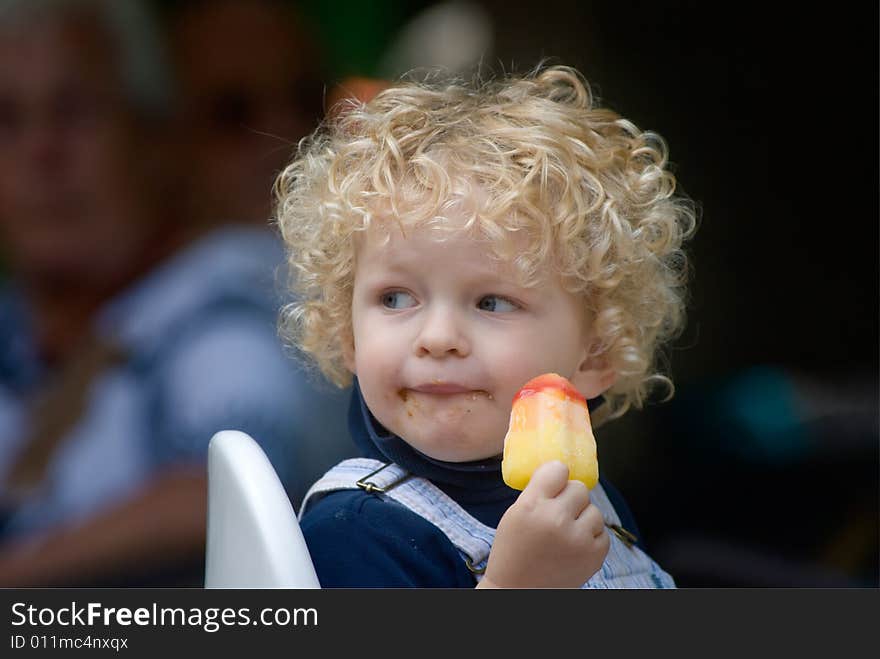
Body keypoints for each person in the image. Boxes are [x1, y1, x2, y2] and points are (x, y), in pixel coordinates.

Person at [274, 64, 696, 587]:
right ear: (348, 334)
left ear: (596, 356)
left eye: (492, 302)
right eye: (397, 297)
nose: (438, 338)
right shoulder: (352, 535)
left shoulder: (593, 509)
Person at [0, 0, 346, 586]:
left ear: (155, 140)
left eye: (74, 112)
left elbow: (231, 484)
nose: (42, 152)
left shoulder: (231, 287)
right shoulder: (21, 323)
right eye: (7, 118)